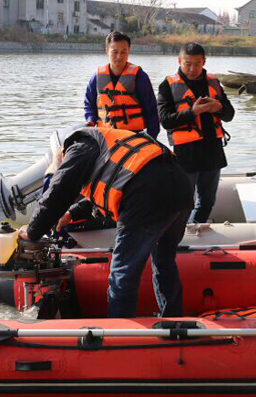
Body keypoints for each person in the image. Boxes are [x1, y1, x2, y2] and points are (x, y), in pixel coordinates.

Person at [19, 126, 193, 318]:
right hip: (180, 187)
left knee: (122, 275)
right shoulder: (107, 141)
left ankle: (119, 333)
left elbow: (58, 190)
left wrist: (33, 231)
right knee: (164, 262)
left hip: (147, 195)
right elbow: (108, 188)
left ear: (62, 152)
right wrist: (71, 214)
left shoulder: (77, 147)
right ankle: (174, 319)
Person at [157, 43, 235, 223]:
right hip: (186, 154)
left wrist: (219, 107)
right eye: (188, 63)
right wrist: (193, 112)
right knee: (182, 202)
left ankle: (195, 229)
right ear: (179, 61)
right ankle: (177, 234)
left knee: (207, 202)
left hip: (213, 152)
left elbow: (229, 115)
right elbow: (165, 120)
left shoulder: (214, 82)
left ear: (204, 62)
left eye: (197, 64)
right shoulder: (167, 85)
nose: (192, 69)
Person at [84, 31, 161, 138]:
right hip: (105, 136)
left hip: (134, 136)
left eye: (123, 52)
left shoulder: (140, 77)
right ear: (107, 51)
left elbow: (151, 110)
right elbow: (89, 105)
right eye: (115, 52)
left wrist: (152, 137)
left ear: (129, 51)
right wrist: (90, 120)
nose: (119, 56)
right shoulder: (96, 77)